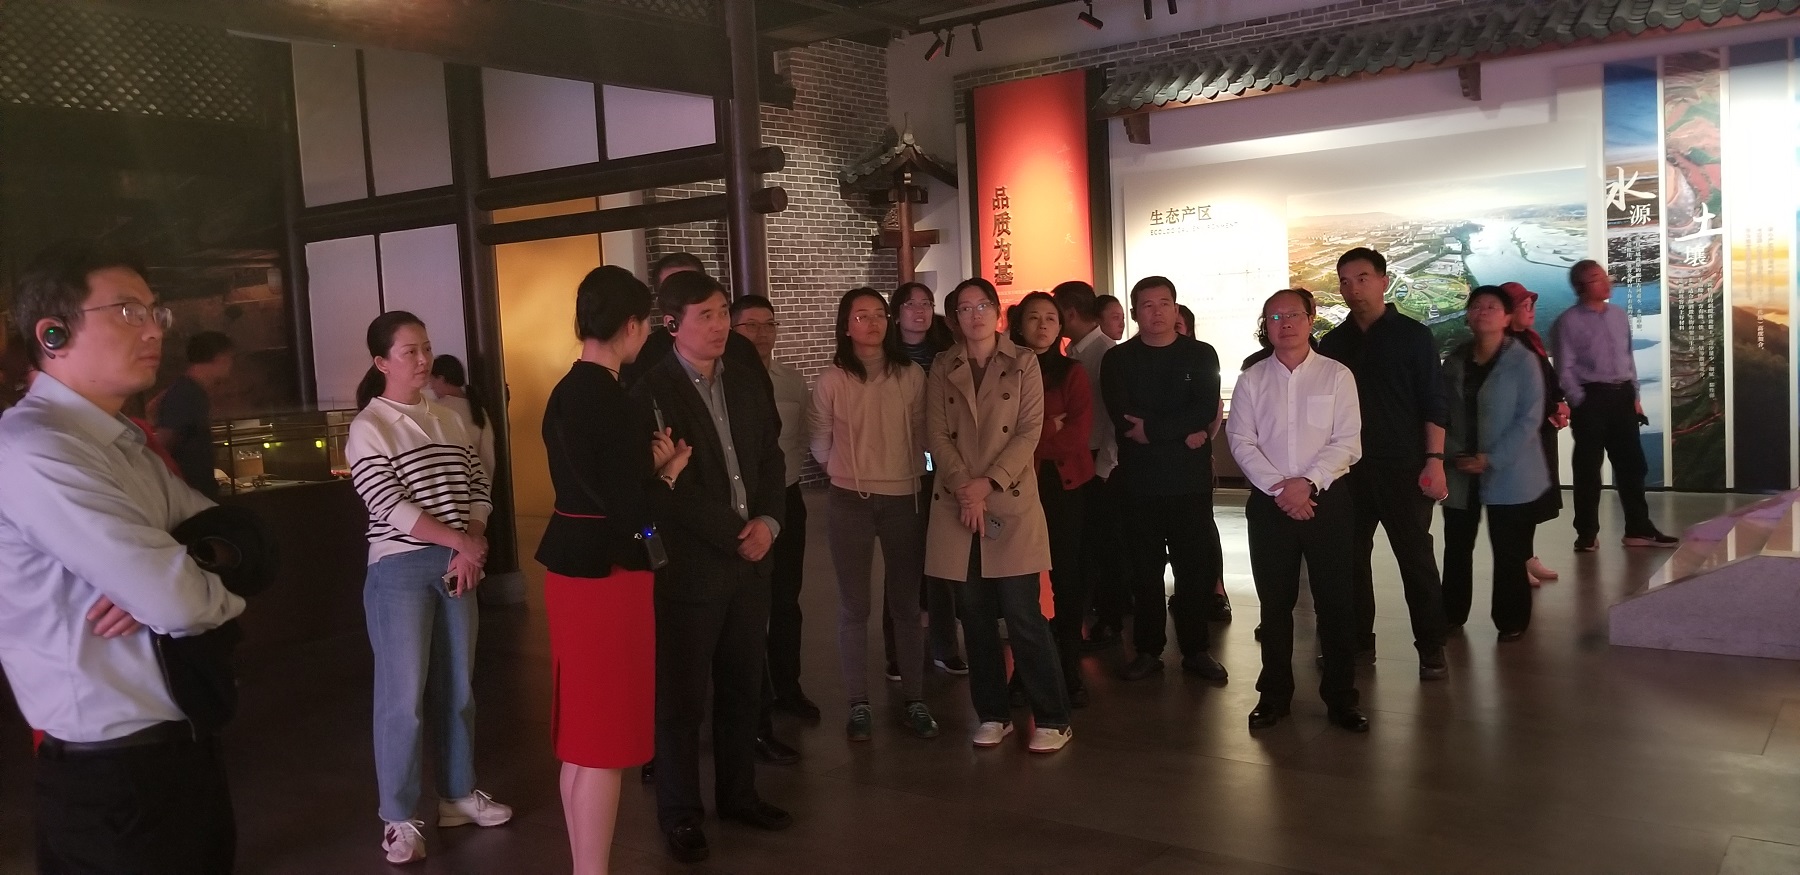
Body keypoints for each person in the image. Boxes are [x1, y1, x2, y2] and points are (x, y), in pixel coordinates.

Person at [0, 241, 244, 872]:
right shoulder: (35, 448)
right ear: (52, 334)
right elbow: (179, 602)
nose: (155, 330)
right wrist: (181, 581)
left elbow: (247, 541)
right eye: (128, 312)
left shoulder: (123, 444)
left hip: (181, 754)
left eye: (155, 312)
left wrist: (187, 564)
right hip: (112, 783)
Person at [632, 270, 791, 863]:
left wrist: (769, 523)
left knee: (743, 686)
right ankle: (680, 813)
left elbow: (772, 458)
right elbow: (667, 487)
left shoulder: (745, 379)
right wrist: (735, 534)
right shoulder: (652, 391)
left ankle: (739, 795)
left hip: (752, 561)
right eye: (707, 315)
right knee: (681, 698)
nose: (721, 324)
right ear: (672, 324)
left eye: (724, 312)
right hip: (693, 566)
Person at [537, 266, 691, 875]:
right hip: (610, 577)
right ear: (630, 326)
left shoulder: (565, 391)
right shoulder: (614, 399)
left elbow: (596, 484)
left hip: (569, 567)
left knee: (581, 742)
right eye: (645, 322)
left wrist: (645, 471)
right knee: (603, 744)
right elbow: (630, 508)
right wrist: (668, 474)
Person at [347, 311, 512, 864]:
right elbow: (388, 504)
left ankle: (457, 795)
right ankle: (397, 817)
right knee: (403, 700)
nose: (422, 360)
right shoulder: (370, 425)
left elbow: (478, 485)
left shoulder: (448, 418)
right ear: (381, 362)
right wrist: (461, 542)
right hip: (398, 570)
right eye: (409, 352)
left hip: (457, 563)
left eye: (426, 348)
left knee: (459, 687)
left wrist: (471, 542)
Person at [925, 278, 1072, 753]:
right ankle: (992, 713)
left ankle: (1053, 717)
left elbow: (1028, 432)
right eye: (964, 308)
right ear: (955, 318)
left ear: (997, 312)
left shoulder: (1023, 361)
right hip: (958, 503)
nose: (975, 315)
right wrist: (965, 489)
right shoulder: (942, 365)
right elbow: (936, 433)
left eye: (983, 305)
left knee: (1024, 614)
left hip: (1008, 499)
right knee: (974, 616)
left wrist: (986, 484)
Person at [1227, 289, 1368, 732]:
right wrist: (1280, 488)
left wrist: (1306, 484)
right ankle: (1273, 696)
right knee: (1274, 605)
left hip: (1328, 501)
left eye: (1293, 314)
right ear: (1265, 326)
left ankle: (1342, 698)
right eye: (1274, 317)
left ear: (1310, 319)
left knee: (1336, 604)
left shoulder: (1337, 375)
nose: (1284, 323)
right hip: (1270, 505)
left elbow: (1348, 441)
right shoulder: (1252, 379)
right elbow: (1240, 441)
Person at [809, 287, 940, 741]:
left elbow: (925, 432)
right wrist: (843, 470)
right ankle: (858, 703)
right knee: (854, 606)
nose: (873, 323)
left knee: (905, 604)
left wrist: (922, 470)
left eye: (879, 314)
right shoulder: (832, 380)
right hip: (850, 500)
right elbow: (819, 438)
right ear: (846, 326)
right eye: (861, 315)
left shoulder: (911, 375)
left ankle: (915, 699)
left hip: (905, 497)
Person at [1317, 247, 1451, 681]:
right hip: (1348, 471)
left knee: (1415, 559)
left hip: (1404, 467)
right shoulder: (1334, 344)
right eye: (1345, 281)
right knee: (1350, 560)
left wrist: (1435, 460)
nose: (1353, 288)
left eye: (1362, 278)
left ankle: (1431, 648)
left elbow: (1434, 402)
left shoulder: (1414, 336)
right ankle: (1358, 644)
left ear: (1383, 281)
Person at [1100, 276, 1228, 683]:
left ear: (1176, 308)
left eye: (1164, 303)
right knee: (1145, 570)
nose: (1157, 312)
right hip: (1139, 481)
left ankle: (1196, 649)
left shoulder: (1201, 354)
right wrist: (1181, 431)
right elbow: (1123, 417)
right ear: (1135, 312)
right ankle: (1147, 650)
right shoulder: (1118, 359)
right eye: (1147, 305)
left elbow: (1205, 408)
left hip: (1190, 482)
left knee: (1194, 568)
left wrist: (1154, 429)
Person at [731, 295, 820, 736]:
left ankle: (788, 687)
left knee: (786, 599)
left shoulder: (791, 380)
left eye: (769, 324)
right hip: (740, 509)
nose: (761, 333)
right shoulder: (725, 381)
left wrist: (784, 480)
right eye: (750, 325)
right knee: (746, 606)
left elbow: (802, 436)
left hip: (785, 499)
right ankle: (750, 698)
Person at [1440, 286, 1550, 642]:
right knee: (1457, 548)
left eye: (1492, 306)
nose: (1483, 311)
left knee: (1508, 551)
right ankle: (1451, 613)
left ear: (1506, 318)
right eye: (1476, 306)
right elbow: (1442, 413)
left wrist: (1492, 458)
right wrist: (1454, 453)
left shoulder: (1524, 361)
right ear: (1468, 316)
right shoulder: (1455, 361)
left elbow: (1529, 419)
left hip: (1511, 470)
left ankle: (1511, 619)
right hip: (1460, 469)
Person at [1550, 260, 1678, 551]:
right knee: (1588, 470)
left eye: (1604, 276)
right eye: (1597, 278)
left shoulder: (1618, 315)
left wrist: (1635, 397)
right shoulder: (1568, 321)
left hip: (1622, 397)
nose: (1607, 282)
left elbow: (1627, 358)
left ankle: (1638, 529)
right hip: (1591, 398)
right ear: (1581, 287)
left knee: (1632, 466)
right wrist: (1579, 400)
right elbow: (1564, 367)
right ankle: (1586, 533)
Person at [1011, 291, 1094, 707]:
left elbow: (1077, 437)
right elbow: (997, 433)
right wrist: (1047, 426)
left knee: (1066, 578)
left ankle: (1069, 668)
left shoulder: (1072, 372)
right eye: (1033, 317)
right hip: (1015, 485)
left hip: (1064, 487)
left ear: (1061, 326)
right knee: (1020, 582)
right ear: (1018, 324)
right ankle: (1026, 670)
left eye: (1050, 318)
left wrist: (1029, 438)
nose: (1042, 325)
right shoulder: (1004, 370)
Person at [885, 281, 966, 678]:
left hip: (943, 463)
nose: (919, 310)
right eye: (910, 304)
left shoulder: (948, 354)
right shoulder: (883, 355)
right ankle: (898, 652)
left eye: (926, 303)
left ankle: (943, 646)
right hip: (898, 466)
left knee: (942, 559)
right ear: (896, 312)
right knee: (902, 562)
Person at [1053, 281, 1128, 648]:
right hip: (1081, 460)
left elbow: (1115, 418)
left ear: (1069, 313)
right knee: (1083, 545)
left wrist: (1105, 466)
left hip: (1102, 463)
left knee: (1106, 546)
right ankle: (1084, 615)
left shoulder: (1106, 352)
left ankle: (1110, 620)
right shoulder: (1075, 350)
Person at [1502, 282, 1568, 584]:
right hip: (1519, 434)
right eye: (1525, 306)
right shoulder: (1503, 345)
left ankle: (1526, 556)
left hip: (1540, 430)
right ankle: (1516, 561)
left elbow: (1548, 380)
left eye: (1532, 305)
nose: (1531, 312)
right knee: (1518, 500)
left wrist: (1558, 405)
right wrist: (1551, 407)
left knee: (1533, 499)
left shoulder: (1531, 339)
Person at [153, 330, 233, 497]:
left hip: (193, 492)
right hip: (188, 494)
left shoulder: (192, 390)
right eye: (229, 358)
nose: (230, 365)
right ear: (220, 358)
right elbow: (162, 445)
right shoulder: (186, 393)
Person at [429, 354, 497, 486]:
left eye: (432, 381)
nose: (431, 387)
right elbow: (488, 458)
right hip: (477, 487)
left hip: (449, 488)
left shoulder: (436, 410)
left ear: (441, 379)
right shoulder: (478, 409)